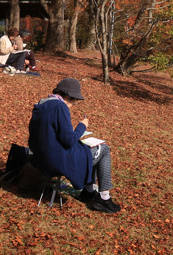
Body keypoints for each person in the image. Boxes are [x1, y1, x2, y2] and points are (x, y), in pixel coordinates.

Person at [28, 78, 121, 214]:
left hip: (40, 158)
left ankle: (89, 191)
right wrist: (82, 126)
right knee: (104, 149)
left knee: (90, 150)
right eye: (74, 100)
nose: (74, 103)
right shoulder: (61, 107)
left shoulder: (42, 105)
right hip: (57, 161)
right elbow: (69, 140)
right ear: (68, 96)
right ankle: (104, 198)